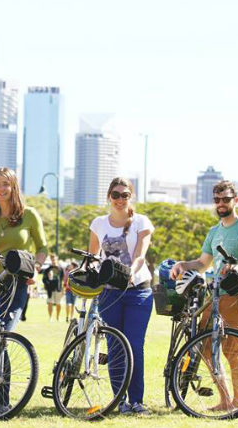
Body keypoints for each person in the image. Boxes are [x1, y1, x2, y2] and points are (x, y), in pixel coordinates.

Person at [170, 180, 238, 412]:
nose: (221, 204)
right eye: (217, 200)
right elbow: (202, 263)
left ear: (235, 200)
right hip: (216, 297)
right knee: (206, 349)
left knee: (232, 352)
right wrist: (182, 263)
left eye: (226, 199)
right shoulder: (214, 232)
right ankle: (224, 400)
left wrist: (235, 268)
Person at [88, 177, 154, 415]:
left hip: (138, 290)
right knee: (115, 346)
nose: (119, 199)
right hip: (110, 293)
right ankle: (120, 400)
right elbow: (93, 256)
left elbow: (139, 255)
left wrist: (130, 274)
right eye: (115, 195)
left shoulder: (141, 222)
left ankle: (137, 400)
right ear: (109, 197)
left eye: (124, 195)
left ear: (131, 197)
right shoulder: (98, 223)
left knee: (134, 346)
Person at [0, 167, 48, 331]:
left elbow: (42, 247)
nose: (1, 189)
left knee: (4, 331)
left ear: (14, 186)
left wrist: (36, 268)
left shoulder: (29, 215)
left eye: (6, 184)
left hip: (18, 282)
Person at [42, 253, 64, 322]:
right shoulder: (47, 269)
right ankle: (50, 317)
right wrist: (47, 281)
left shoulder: (60, 269)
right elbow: (44, 279)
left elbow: (62, 279)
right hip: (50, 289)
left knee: (58, 304)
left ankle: (57, 317)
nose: (53, 261)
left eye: (54, 259)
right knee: (50, 303)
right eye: (52, 259)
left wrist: (63, 289)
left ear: (57, 259)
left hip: (58, 289)